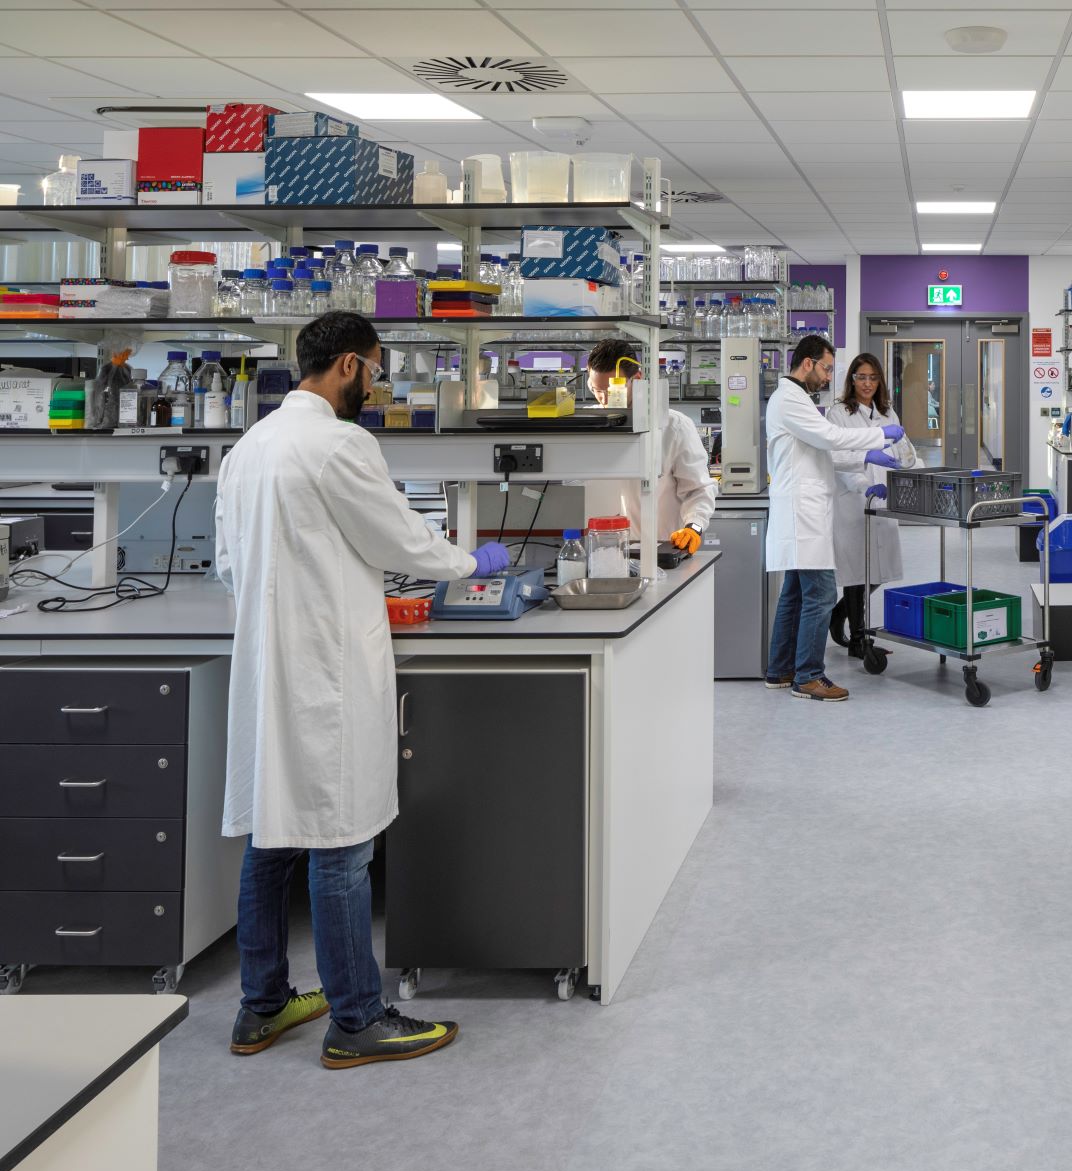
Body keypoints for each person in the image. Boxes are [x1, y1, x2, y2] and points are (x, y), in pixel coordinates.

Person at [214, 311, 513, 1069]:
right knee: (342, 843)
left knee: (272, 837)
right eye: (376, 371)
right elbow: (398, 537)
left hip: (266, 664)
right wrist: (472, 565)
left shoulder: (248, 447)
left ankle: (263, 1005)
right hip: (325, 669)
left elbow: (227, 565)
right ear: (348, 364)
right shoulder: (339, 443)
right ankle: (356, 1019)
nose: (375, 387)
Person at [764, 334, 904, 701]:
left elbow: (823, 452)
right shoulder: (790, 400)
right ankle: (808, 676)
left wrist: (865, 458)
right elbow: (828, 436)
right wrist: (877, 438)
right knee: (823, 594)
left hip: (804, 509)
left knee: (794, 594)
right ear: (808, 363)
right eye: (826, 368)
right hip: (802, 511)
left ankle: (780, 670)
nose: (828, 377)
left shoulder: (798, 400)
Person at [585, 338, 716, 555]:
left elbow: (699, 490)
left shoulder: (674, 426)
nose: (604, 399)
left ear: (636, 379)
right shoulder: (585, 424)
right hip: (602, 550)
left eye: (613, 389)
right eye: (597, 390)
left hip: (662, 548)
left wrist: (693, 527)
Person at [826, 353, 917, 654]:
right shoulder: (838, 413)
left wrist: (908, 461)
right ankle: (858, 639)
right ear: (851, 380)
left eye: (873, 377)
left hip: (884, 499)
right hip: (852, 500)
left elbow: (905, 452)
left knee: (879, 570)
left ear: (880, 381)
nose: (867, 383)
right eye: (861, 377)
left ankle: (839, 614)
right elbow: (835, 459)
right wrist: (865, 486)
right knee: (857, 571)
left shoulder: (887, 413)